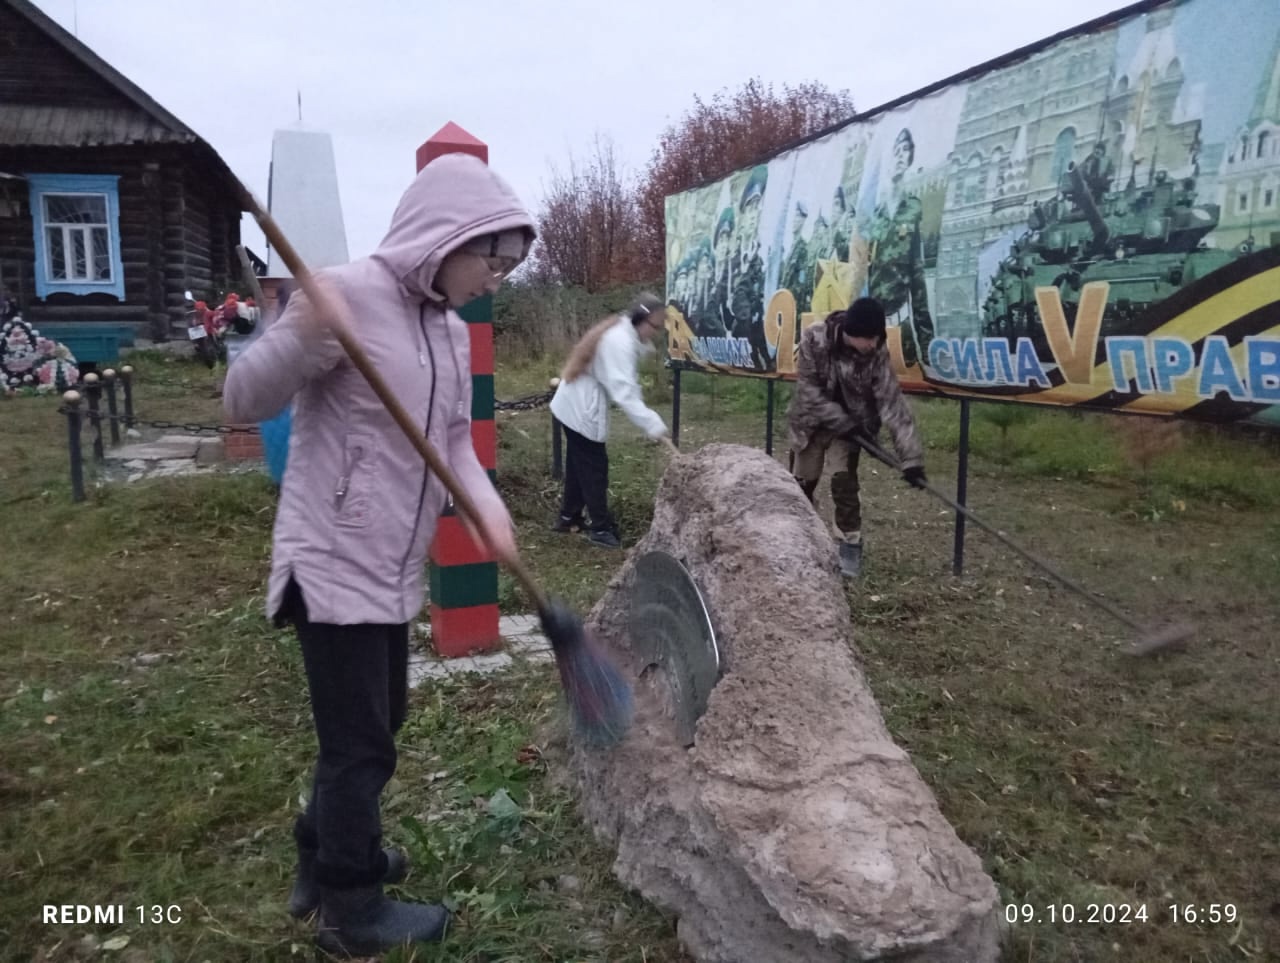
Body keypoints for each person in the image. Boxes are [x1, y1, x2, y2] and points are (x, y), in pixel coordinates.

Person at [222, 153, 534, 957]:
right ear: (446, 238)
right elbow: (242, 398)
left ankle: (321, 842)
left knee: (377, 723)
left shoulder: (451, 332)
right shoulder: (348, 295)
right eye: (490, 260)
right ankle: (349, 909)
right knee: (361, 745)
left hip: (391, 565)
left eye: (508, 266)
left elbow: (454, 442)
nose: (494, 280)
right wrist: (305, 329)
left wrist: (489, 512)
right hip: (329, 560)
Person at [787, 297, 927, 577]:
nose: (874, 345)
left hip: (852, 431)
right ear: (853, 333)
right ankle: (794, 539)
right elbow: (809, 391)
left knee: (844, 484)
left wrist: (910, 459)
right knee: (801, 485)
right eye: (869, 339)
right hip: (811, 425)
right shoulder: (814, 339)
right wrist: (842, 421)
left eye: (877, 338)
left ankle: (849, 547)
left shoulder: (875, 354)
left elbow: (891, 402)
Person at [549, 293, 669, 548]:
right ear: (640, 320)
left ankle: (568, 516)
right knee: (594, 470)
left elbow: (629, 370)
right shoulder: (619, 342)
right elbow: (624, 390)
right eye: (655, 326)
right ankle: (600, 529)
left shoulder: (623, 334)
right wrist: (651, 423)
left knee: (578, 465)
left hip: (575, 404)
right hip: (581, 408)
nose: (656, 333)